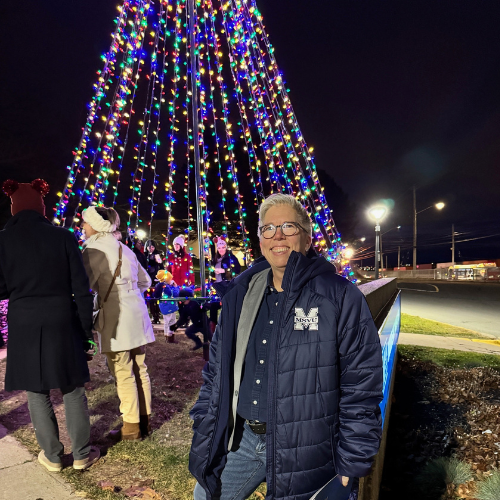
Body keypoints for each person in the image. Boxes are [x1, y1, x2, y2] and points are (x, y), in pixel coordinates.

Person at [189, 193, 383, 500]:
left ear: (306, 239)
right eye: (268, 228)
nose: (277, 235)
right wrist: (204, 419)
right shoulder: (240, 295)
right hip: (242, 438)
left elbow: (361, 382)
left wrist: (354, 455)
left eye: (288, 227)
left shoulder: (339, 296)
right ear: (261, 240)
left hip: (307, 446)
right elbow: (216, 370)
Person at [0, 179, 100, 472]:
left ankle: (53, 456)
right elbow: (81, 289)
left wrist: (20, 287)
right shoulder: (64, 237)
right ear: (41, 207)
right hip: (61, 317)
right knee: (72, 388)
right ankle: (82, 453)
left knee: (35, 390)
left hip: (24, 320)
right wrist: (85, 332)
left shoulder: (3, 240)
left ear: (14, 207)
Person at [81, 206, 155, 441]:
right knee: (139, 368)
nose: (82, 227)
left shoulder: (92, 249)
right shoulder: (125, 249)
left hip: (116, 316)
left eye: (84, 223)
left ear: (94, 225)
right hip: (137, 312)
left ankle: (131, 427)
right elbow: (146, 280)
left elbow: (84, 285)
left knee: (123, 371)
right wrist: (131, 294)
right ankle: (145, 420)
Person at [208, 236, 242, 333]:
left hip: (226, 284)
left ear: (226, 247)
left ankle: (228, 326)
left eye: (223, 247)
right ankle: (213, 328)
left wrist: (224, 270)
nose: (221, 250)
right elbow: (211, 272)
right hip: (216, 285)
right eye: (219, 248)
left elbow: (237, 269)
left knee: (227, 305)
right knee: (213, 305)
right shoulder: (215, 259)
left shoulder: (230, 257)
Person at [154, 270, 180, 343]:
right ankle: (170, 337)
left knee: (167, 321)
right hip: (169, 307)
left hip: (165, 306)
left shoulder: (161, 286)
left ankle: (168, 336)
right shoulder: (166, 287)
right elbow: (175, 294)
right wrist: (175, 287)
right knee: (171, 321)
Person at [145, 240, 163, 324]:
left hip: (156, 279)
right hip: (148, 279)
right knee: (150, 298)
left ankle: (157, 315)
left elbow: (161, 266)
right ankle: (153, 315)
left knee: (157, 298)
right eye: (149, 247)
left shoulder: (157, 255)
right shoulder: (145, 255)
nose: (151, 249)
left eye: (152, 247)